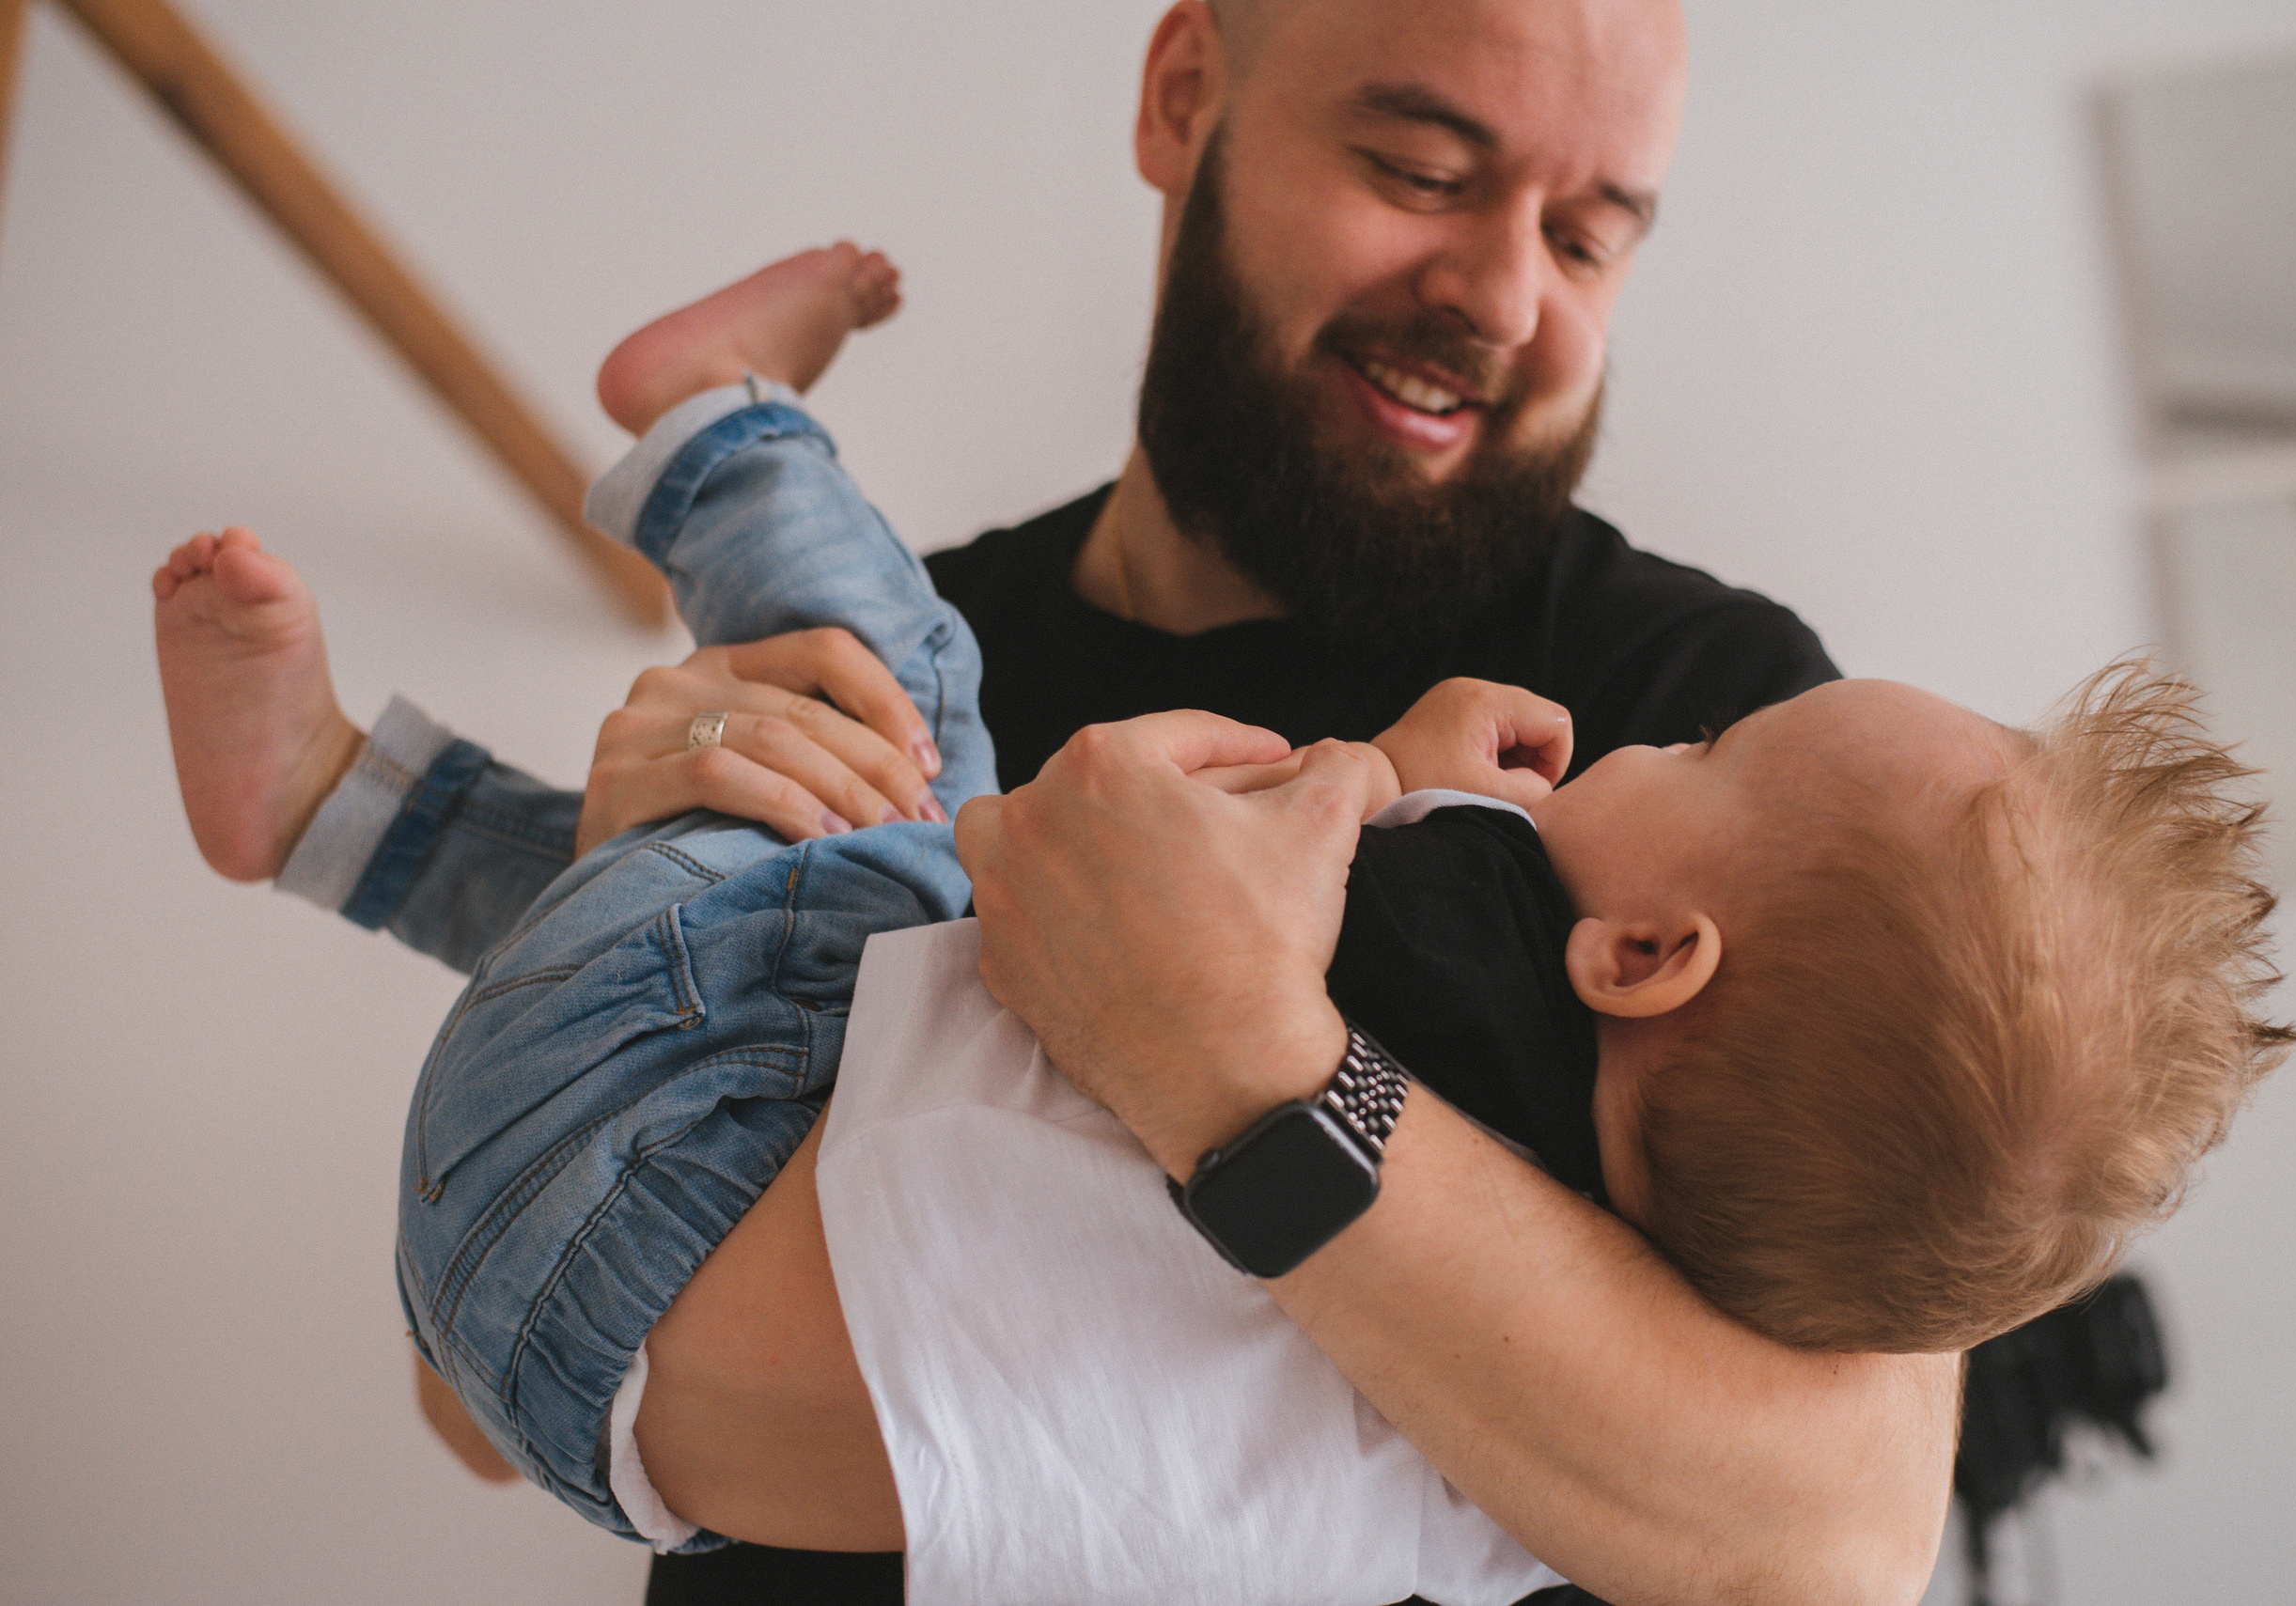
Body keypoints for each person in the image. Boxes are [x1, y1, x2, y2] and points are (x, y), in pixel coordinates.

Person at [153, 2, 1999, 1601]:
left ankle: (383, 769)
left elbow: (1832, 1534)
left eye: (1591, 239)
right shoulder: (902, 636)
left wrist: (1233, 1056)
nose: (1506, 295)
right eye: (1424, 170)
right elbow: (466, 1391)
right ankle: (354, 795)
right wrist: (649, 814)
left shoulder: (1706, 731)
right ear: (1182, 93)